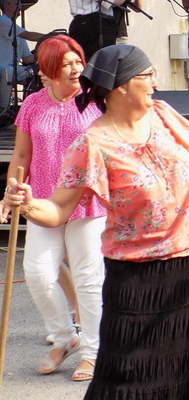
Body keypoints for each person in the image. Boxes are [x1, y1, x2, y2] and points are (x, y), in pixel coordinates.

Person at [4, 44, 189, 399]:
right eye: (148, 75)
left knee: (185, 371)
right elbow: (59, 209)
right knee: (128, 381)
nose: (156, 83)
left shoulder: (163, 114)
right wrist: (28, 204)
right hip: (137, 277)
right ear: (121, 86)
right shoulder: (92, 143)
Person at [0, 35, 105, 381]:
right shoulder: (33, 104)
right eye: (66, 64)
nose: (75, 68)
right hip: (42, 201)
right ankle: (64, 337)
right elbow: (21, 155)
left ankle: (92, 352)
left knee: (88, 278)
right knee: (38, 273)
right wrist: (10, 191)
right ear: (48, 70)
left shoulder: (96, 99)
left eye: (78, 61)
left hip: (87, 201)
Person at [0, 0, 44, 110]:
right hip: (2, 69)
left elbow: (27, 59)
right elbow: (29, 36)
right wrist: (52, 37)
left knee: (39, 72)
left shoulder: (18, 30)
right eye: (16, 4)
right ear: (6, 5)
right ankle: (3, 109)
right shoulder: (2, 21)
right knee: (9, 71)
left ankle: (33, 108)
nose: (20, 7)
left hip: (14, 70)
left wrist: (45, 53)